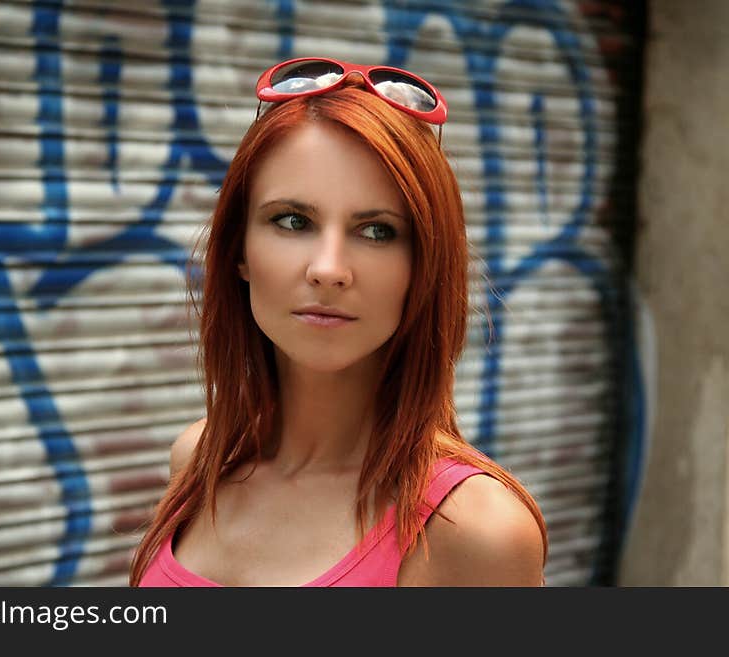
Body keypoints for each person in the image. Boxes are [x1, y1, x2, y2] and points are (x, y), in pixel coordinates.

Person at [131, 58, 548, 587]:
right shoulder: (199, 461)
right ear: (239, 250)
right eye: (292, 221)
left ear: (423, 267)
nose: (328, 268)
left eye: (377, 232)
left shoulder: (474, 531)